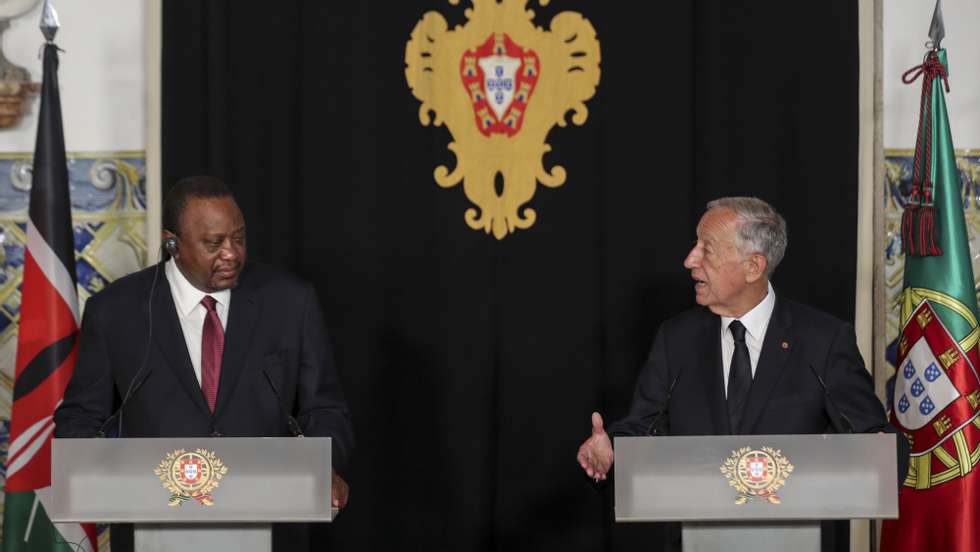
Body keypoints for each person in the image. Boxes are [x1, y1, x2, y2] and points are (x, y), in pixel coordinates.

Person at [576, 198, 902, 550]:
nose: (690, 260)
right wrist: (613, 452)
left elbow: (873, 441)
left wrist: (890, 452)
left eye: (707, 249)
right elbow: (643, 425)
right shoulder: (677, 338)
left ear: (753, 266)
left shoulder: (822, 341)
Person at [54, 175, 354, 550]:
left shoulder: (290, 302)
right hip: (154, 527)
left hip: (273, 525)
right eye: (214, 243)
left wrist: (320, 463)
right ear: (172, 243)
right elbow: (80, 418)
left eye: (239, 238)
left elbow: (325, 409)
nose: (232, 253)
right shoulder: (116, 311)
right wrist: (99, 468)